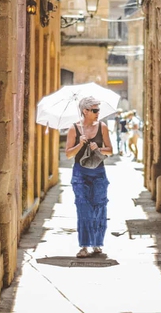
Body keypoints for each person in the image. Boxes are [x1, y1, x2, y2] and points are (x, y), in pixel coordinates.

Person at [65, 96, 114, 258]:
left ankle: (97, 243)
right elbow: (68, 154)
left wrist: (97, 147)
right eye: (94, 110)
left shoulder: (102, 127)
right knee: (83, 207)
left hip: (99, 172)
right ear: (85, 111)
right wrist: (80, 144)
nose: (98, 113)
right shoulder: (74, 129)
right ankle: (84, 246)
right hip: (80, 173)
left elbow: (110, 150)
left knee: (99, 207)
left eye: (98, 110)